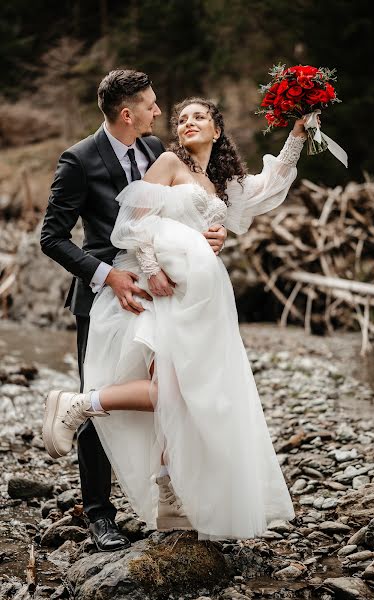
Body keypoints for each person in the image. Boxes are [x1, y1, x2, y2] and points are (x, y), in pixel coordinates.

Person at [43, 96, 308, 541]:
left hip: (204, 299)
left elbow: (268, 186)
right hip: (163, 291)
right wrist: (150, 269)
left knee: (193, 392)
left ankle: (170, 494)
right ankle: (82, 406)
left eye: (198, 117)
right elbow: (131, 222)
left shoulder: (224, 182)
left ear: (217, 130)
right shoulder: (166, 161)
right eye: (182, 118)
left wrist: (298, 134)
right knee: (174, 389)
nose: (186, 122)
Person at [40, 72, 226, 551]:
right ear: (128, 113)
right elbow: (52, 237)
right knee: (100, 387)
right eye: (151, 104)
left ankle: (168, 498)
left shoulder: (155, 153)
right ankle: (100, 514)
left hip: (160, 294)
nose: (158, 112)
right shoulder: (78, 160)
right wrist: (107, 275)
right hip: (105, 294)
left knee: (164, 390)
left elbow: (181, 213)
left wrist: (211, 235)